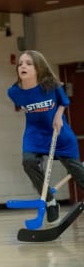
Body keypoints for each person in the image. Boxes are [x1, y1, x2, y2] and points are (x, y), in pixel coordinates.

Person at [7, 50, 84, 224]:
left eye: (28, 63)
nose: (23, 66)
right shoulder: (13, 92)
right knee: (28, 162)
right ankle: (50, 201)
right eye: (20, 64)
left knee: (77, 172)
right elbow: (26, 108)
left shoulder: (51, 85)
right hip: (35, 134)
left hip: (58, 131)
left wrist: (58, 115)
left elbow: (64, 102)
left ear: (38, 67)